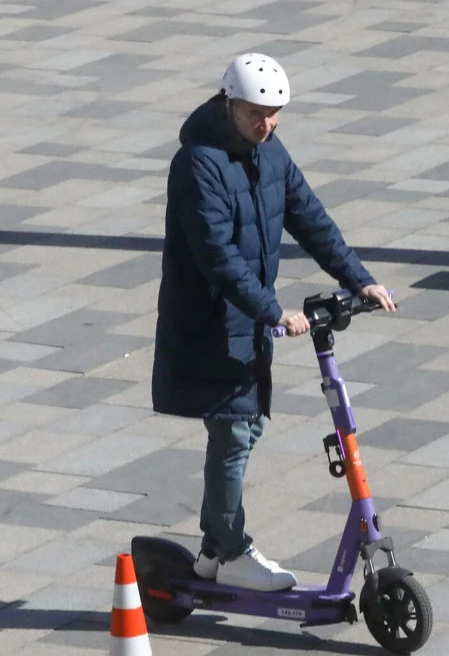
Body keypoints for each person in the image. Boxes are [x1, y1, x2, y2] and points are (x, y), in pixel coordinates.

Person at [154, 53, 395, 592]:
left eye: (276, 114)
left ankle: (214, 551)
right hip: (210, 324)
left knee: (246, 425)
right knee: (234, 430)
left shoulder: (269, 151)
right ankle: (231, 550)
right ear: (228, 103)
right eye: (257, 113)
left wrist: (359, 280)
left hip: (247, 323)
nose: (268, 125)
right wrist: (273, 311)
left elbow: (309, 215)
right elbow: (217, 256)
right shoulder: (198, 164)